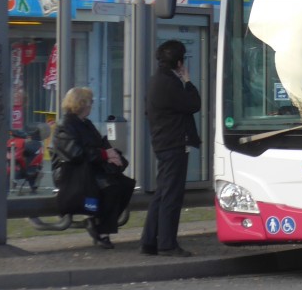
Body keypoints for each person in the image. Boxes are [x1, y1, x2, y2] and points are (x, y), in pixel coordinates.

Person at [51, 87, 134, 249]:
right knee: (111, 187)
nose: (92, 105)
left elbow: (99, 145)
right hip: (72, 174)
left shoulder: (86, 124)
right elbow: (75, 153)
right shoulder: (65, 125)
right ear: (81, 104)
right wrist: (104, 154)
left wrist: (113, 154)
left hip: (88, 170)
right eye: (90, 102)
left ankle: (99, 224)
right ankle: (102, 230)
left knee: (124, 185)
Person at [141, 40, 202, 258]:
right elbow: (194, 104)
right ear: (179, 62)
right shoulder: (171, 83)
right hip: (174, 144)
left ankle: (149, 241)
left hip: (163, 142)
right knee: (171, 196)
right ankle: (167, 244)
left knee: (162, 193)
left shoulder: (155, 81)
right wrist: (187, 80)